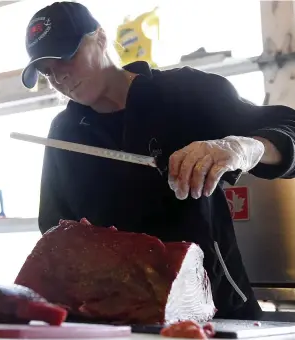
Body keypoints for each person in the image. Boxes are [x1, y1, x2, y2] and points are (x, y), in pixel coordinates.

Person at [21, 1, 295, 321]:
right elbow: (54, 229)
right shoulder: (62, 134)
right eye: (47, 71)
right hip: (117, 318)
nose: (60, 77)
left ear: (99, 38)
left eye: (66, 56)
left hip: (216, 310)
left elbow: (289, 129)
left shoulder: (184, 92)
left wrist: (246, 148)